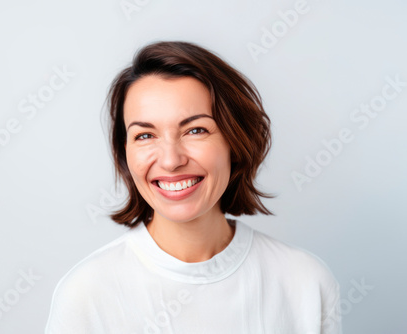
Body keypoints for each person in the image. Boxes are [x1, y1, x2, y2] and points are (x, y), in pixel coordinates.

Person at [45, 40, 342, 334]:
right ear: (124, 153)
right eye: (145, 136)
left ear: (235, 142)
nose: (171, 160)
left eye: (195, 130)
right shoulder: (85, 296)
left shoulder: (305, 283)